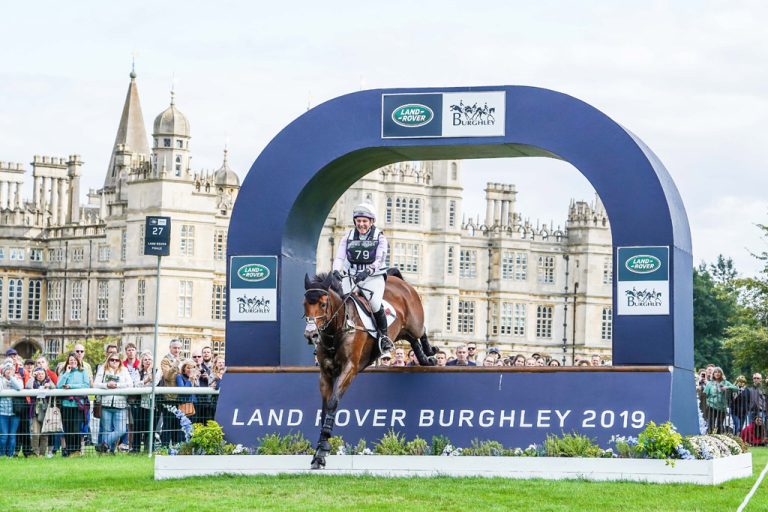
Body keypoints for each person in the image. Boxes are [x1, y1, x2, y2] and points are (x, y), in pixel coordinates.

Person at [331, 203, 393, 354]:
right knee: (338, 301)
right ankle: (330, 337)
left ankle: (384, 337)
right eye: (358, 221)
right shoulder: (348, 236)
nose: (361, 224)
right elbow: (339, 256)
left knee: (375, 303)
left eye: (364, 221)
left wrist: (368, 271)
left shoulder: (380, 237)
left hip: (373, 276)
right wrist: (335, 271)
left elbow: (379, 259)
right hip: (351, 274)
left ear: (371, 222)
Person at [94, 353, 133, 453]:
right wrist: (107, 385)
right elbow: (96, 384)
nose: (114, 362)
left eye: (117, 360)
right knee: (106, 430)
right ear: (108, 360)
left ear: (120, 361)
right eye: (112, 360)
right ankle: (109, 451)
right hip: (106, 404)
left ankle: (103, 444)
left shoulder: (124, 370)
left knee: (121, 430)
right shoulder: (103, 369)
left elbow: (130, 384)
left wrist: (117, 385)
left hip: (120, 405)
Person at [56, 353, 90, 457]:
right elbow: (58, 385)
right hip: (66, 405)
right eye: (71, 360)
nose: (73, 362)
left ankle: (76, 450)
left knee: (76, 429)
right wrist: (67, 372)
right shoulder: (64, 372)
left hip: (78, 405)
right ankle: (69, 450)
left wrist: (71, 386)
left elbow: (86, 385)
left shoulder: (83, 371)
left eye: (75, 360)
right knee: (67, 428)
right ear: (68, 362)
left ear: (78, 361)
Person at [134, 351, 161, 453]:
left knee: (151, 428)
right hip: (141, 404)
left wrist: (146, 381)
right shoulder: (138, 371)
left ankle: (148, 449)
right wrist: (146, 380)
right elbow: (136, 385)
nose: (148, 361)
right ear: (142, 361)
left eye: (150, 359)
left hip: (154, 405)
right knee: (138, 427)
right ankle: (135, 449)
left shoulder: (157, 371)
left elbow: (155, 383)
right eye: (145, 359)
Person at [25, 367, 55, 456]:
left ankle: (42, 453)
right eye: (38, 374)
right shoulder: (33, 381)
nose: (40, 375)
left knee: (45, 434)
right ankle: (35, 453)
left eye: (42, 373)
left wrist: (49, 385)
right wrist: (31, 377)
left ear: (45, 374)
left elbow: (54, 387)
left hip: (46, 411)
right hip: (35, 411)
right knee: (35, 433)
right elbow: (27, 386)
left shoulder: (48, 381)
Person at [160, 340, 183, 446]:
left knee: (177, 424)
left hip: (180, 397)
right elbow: (167, 377)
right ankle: (164, 447)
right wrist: (175, 365)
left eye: (179, 348)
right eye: (175, 348)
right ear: (170, 348)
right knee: (168, 424)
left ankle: (176, 446)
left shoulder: (182, 360)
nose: (177, 350)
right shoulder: (165, 360)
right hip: (169, 397)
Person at [704, 367, 738, 434]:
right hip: (711, 406)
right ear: (713, 374)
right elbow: (705, 394)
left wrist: (727, 387)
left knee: (720, 425)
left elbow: (736, 388)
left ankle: (719, 439)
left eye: (719, 372)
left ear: (721, 374)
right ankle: (710, 438)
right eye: (715, 372)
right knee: (711, 424)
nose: (717, 373)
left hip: (722, 407)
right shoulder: (710, 383)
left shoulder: (726, 382)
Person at [0, 360, 23, 457]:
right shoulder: (0, 380)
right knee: (4, 436)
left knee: (12, 435)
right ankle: (1, 454)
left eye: (11, 369)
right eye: (7, 369)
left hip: (14, 413)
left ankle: (10, 455)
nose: (9, 371)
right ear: (3, 371)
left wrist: (12, 378)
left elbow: (19, 387)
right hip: (2, 412)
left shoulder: (17, 379)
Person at [175, 360, 200, 438]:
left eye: (192, 368)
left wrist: (195, 380)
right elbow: (183, 391)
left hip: (195, 404)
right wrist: (190, 380)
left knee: (193, 427)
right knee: (183, 427)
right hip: (185, 404)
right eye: (188, 368)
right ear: (184, 369)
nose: (190, 370)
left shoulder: (196, 377)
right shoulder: (179, 376)